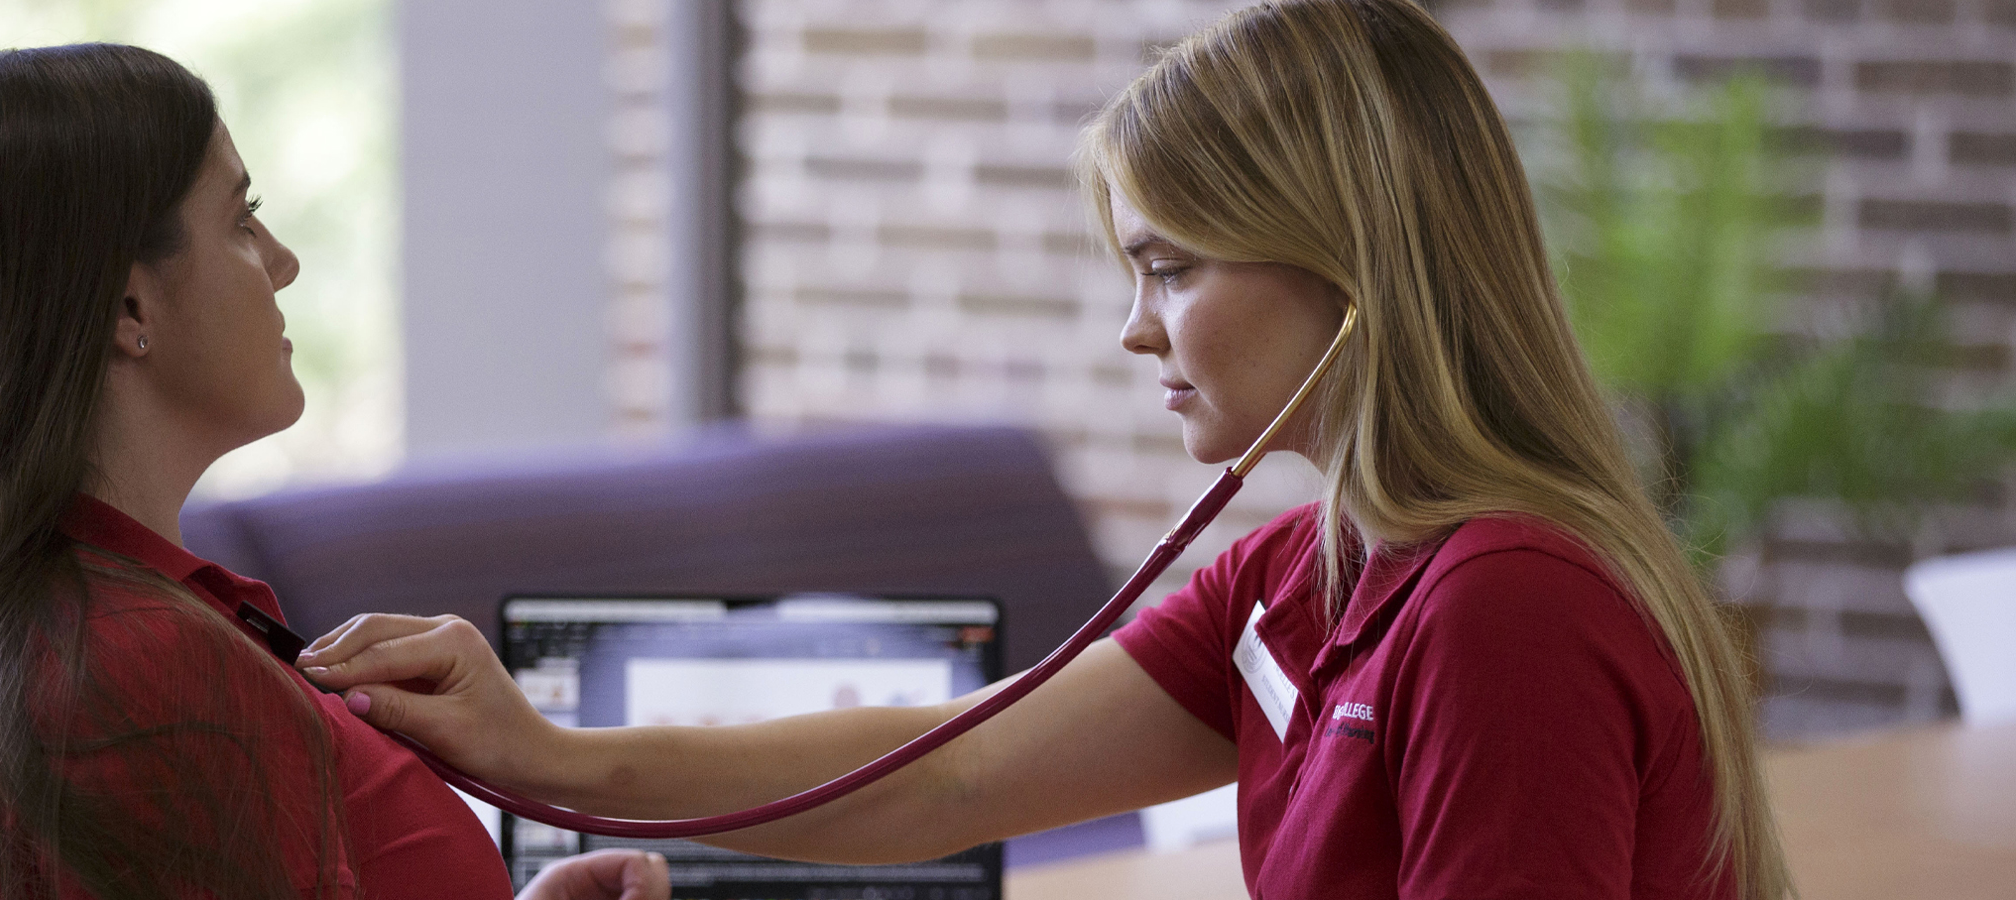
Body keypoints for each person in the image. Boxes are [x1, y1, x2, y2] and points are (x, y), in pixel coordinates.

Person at [297, 1, 1794, 898]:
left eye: (1173, 268)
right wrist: (553, 761)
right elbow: (953, 777)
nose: (1137, 332)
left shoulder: (1505, 609)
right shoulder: (1306, 575)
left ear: (1353, 273)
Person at [0, 44, 664, 900]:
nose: (284, 259)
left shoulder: (67, 626)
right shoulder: (145, 670)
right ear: (128, 307)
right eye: (241, 219)